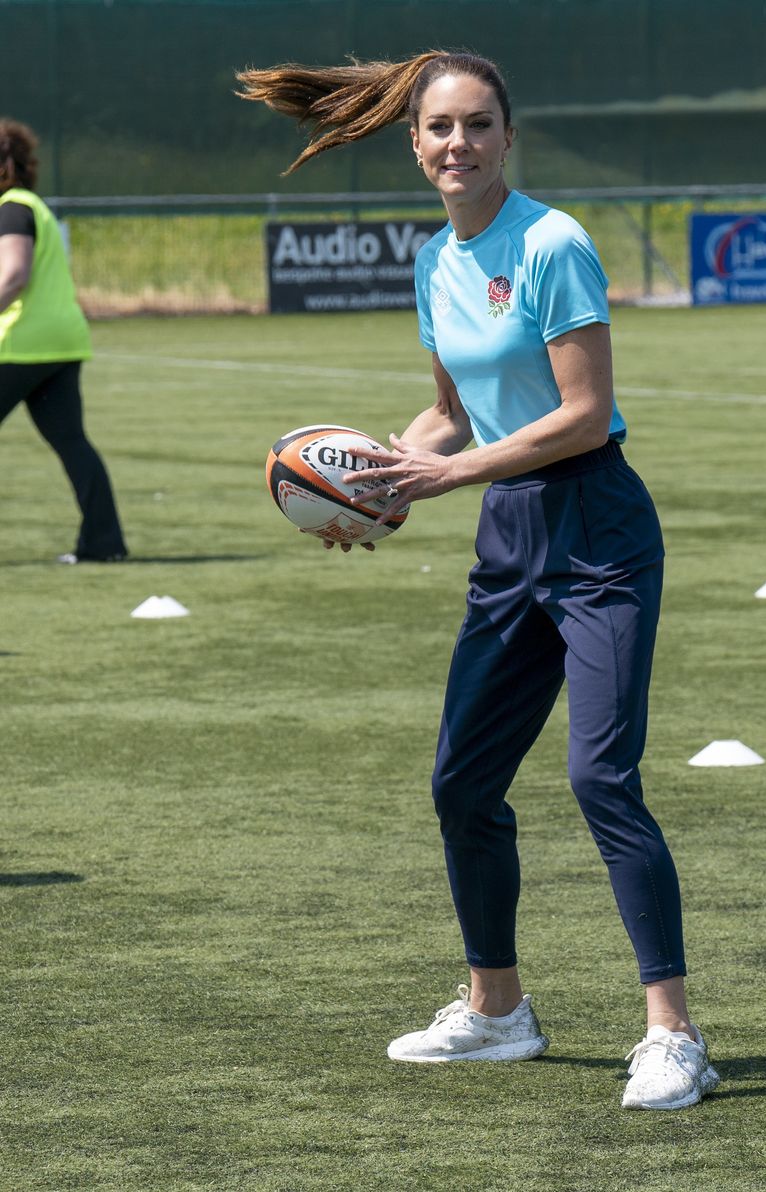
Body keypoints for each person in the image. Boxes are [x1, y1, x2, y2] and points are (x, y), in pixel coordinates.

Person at [237, 50, 719, 1110]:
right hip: (509, 537)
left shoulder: (551, 243)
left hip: (595, 528)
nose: (458, 144)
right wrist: (379, 484)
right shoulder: (433, 262)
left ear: (510, 137)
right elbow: (451, 413)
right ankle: (498, 1012)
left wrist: (446, 470)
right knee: (461, 782)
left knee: (600, 778)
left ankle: (672, 1034)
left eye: (478, 125)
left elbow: (580, 413)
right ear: (414, 144)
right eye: (439, 129)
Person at [0, 118, 127, 564]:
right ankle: (104, 544)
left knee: (72, 441)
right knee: (72, 442)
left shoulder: (12, 207)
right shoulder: (32, 205)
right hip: (61, 342)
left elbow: (13, 274)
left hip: (20, 344)